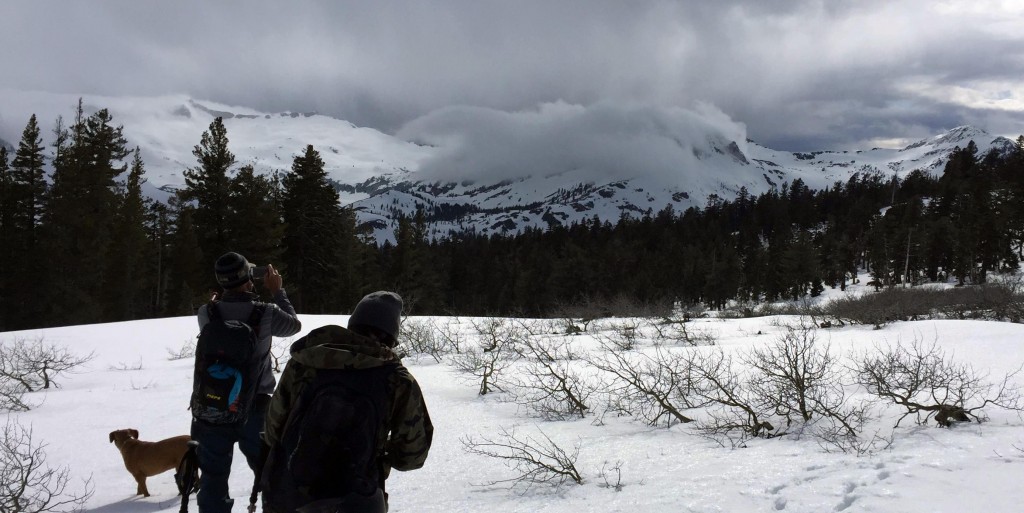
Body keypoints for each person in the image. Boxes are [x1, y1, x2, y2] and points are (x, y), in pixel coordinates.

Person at [260, 291, 433, 513]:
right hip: (357, 500)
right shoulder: (398, 380)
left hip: (289, 493)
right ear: (392, 336)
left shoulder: (304, 362)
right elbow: (412, 456)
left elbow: (273, 431)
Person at [192, 251, 302, 513]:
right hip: (256, 408)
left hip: (211, 407)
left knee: (212, 480)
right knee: (270, 474)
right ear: (247, 279)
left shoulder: (206, 312)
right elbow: (294, 326)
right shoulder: (266, 313)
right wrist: (278, 292)